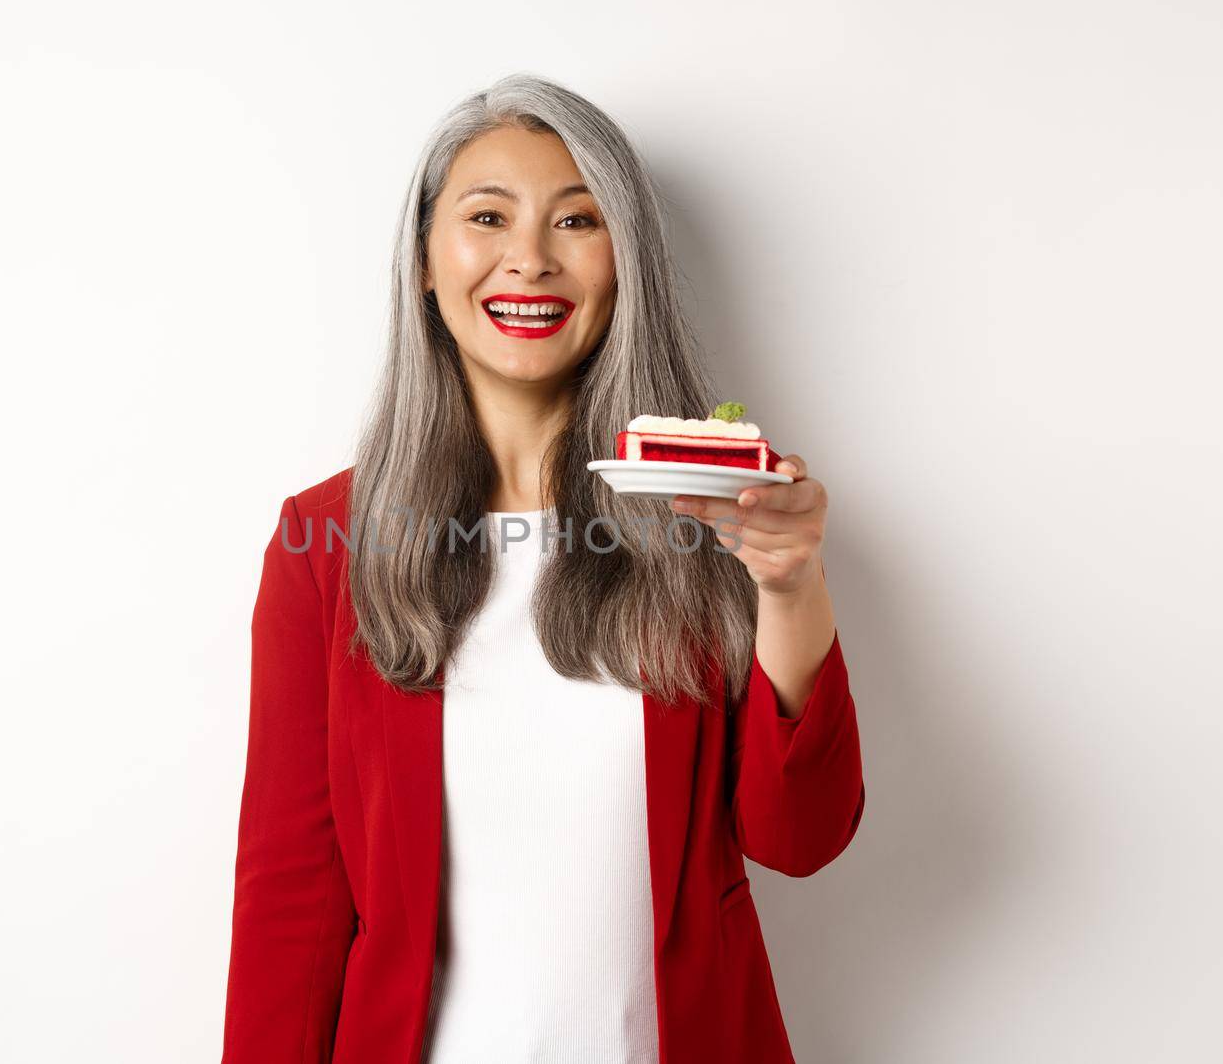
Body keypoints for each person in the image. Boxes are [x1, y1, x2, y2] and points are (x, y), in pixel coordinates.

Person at [220, 72, 865, 1064]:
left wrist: (789, 587)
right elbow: (291, 903)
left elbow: (800, 837)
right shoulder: (327, 544)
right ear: (426, 261)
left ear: (624, 264)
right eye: (488, 216)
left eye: (577, 220)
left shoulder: (713, 516)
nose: (529, 258)